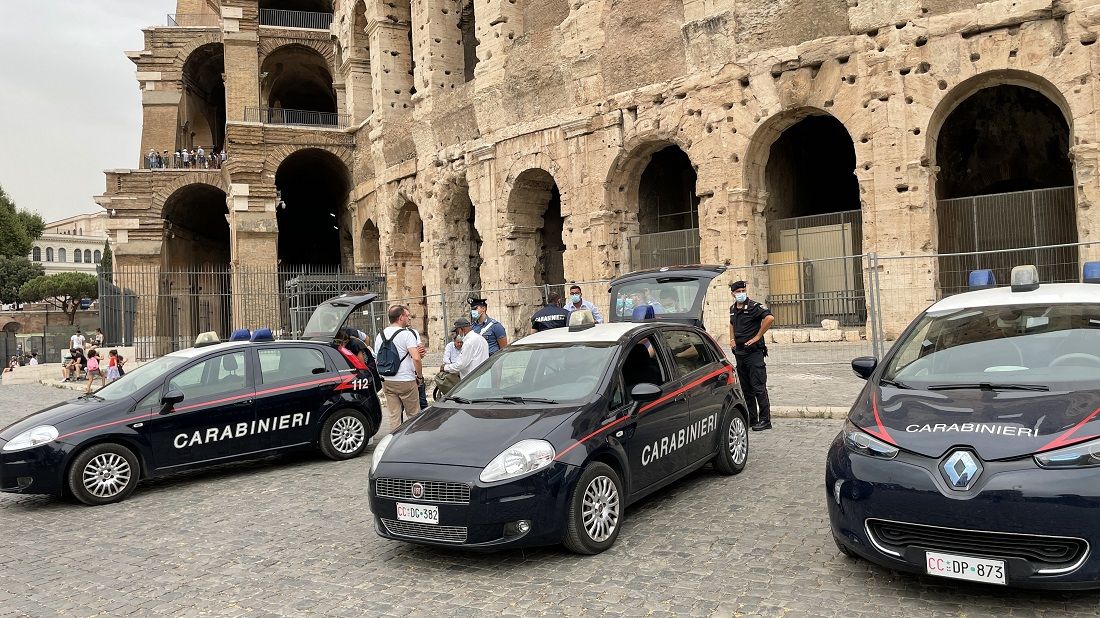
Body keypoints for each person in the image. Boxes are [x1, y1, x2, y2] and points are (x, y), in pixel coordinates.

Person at [729, 280, 775, 431]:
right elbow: (731, 323)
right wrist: (731, 339)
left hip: (754, 354)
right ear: (733, 294)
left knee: (758, 387)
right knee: (746, 388)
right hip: (740, 354)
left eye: (743, 290)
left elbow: (770, 318)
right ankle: (752, 418)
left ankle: (765, 420)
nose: (741, 293)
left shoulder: (754, 306)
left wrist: (757, 336)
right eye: (738, 291)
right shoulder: (733, 309)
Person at [373, 305, 423, 431]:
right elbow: (416, 358)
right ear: (401, 317)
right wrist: (419, 376)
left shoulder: (380, 335)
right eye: (407, 316)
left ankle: (394, 441)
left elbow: (377, 358)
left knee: (394, 416)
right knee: (413, 415)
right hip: (406, 379)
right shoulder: (406, 334)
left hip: (388, 380)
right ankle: (414, 440)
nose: (408, 318)